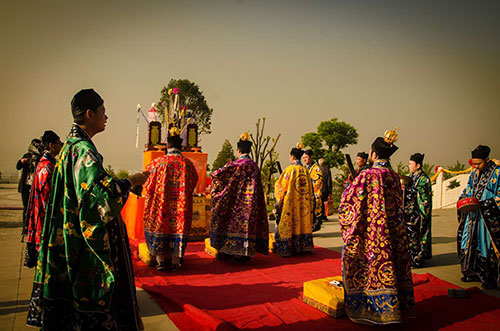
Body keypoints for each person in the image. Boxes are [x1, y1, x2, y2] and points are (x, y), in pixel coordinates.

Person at [26, 89, 149, 330]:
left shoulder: (70, 147)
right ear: (90, 113)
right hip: (82, 243)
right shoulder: (83, 150)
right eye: (103, 111)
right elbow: (99, 198)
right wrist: (131, 181)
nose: (107, 116)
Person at [339, 129, 415, 325]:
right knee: (394, 263)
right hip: (393, 232)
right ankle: (395, 309)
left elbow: (348, 205)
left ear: (373, 154)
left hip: (372, 234)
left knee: (367, 265)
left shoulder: (368, 176)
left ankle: (372, 311)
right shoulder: (393, 176)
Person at [143, 127, 198, 271]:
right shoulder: (188, 164)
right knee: (178, 228)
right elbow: (193, 183)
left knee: (161, 225)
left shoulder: (157, 163)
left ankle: (160, 261)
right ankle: (176, 261)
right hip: (180, 207)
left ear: (167, 146)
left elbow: (147, 183)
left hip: (162, 206)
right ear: (181, 146)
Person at [209, 132, 269, 262]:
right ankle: (246, 253)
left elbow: (216, 175)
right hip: (251, 204)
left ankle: (231, 250)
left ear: (238, 150)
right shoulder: (255, 166)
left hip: (236, 204)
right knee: (248, 227)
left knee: (231, 225)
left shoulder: (235, 165)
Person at [457, 145, 500, 289]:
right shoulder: (474, 173)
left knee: (486, 246)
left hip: (486, 218)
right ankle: (472, 272)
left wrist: (485, 204)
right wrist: (463, 199)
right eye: (473, 163)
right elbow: (468, 188)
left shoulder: (497, 173)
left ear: (487, 160)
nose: (475, 166)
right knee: (467, 242)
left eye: (478, 163)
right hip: (473, 215)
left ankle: (489, 277)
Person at [24, 130, 62, 268]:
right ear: (51, 145)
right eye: (59, 143)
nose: (61, 145)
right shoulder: (47, 166)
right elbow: (48, 196)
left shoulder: (44, 163)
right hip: (44, 217)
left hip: (40, 215)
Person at [274, 143, 314, 257]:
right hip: (304, 202)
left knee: (288, 223)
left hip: (290, 203)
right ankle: (303, 246)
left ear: (292, 157)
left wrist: (279, 202)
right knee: (302, 222)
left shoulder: (289, 170)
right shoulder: (305, 170)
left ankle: (287, 248)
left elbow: (280, 187)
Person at [403, 153, 432, 267]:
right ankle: (410, 257)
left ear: (418, 165)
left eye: (411, 164)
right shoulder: (411, 176)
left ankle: (418, 258)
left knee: (418, 234)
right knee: (409, 235)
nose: (409, 166)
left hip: (419, 212)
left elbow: (423, 194)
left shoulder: (424, 179)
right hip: (410, 212)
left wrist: (411, 190)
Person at [16, 138, 43, 235]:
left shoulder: (40, 157)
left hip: (35, 186)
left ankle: (33, 227)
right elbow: (18, 166)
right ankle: (25, 228)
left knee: (34, 208)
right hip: (26, 186)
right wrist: (22, 161)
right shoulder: (27, 156)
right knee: (26, 208)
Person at [302, 150, 323, 232]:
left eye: (306, 157)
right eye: (303, 158)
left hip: (313, 194)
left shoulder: (316, 168)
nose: (304, 159)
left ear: (310, 158)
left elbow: (318, 182)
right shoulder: (304, 168)